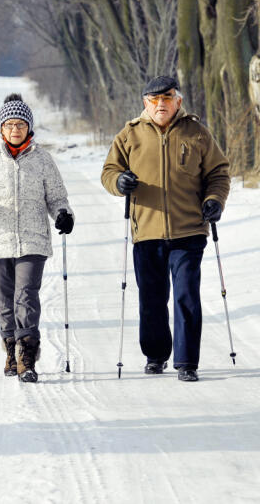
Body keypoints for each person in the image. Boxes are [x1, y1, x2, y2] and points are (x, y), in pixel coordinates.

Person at [101, 76, 230, 382]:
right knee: (152, 298)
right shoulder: (129, 134)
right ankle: (156, 354)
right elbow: (109, 171)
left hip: (189, 231)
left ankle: (186, 362)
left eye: (167, 98)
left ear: (178, 101)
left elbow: (218, 173)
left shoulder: (197, 132)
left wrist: (214, 200)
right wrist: (120, 183)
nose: (161, 105)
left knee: (186, 296)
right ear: (145, 103)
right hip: (146, 231)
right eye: (155, 100)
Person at [0, 93, 74, 383]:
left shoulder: (42, 159)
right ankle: (10, 350)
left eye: (21, 124)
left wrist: (63, 214)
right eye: (10, 124)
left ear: (29, 128)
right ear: (1, 128)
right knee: (4, 302)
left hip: (33, 240)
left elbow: (58, 197)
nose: (15, 129)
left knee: (26, 297)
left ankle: (27, 356)